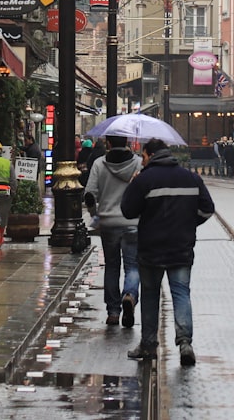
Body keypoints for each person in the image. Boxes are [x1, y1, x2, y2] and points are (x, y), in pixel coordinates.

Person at [121, 138, 215, 367]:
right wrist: (189, 224)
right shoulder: (191, 178)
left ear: (150, 155)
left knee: (151, 296)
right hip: (181, 247)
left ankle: (149, 345)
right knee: (181, 294)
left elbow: (127, 210)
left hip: (151, 248)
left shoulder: (144, 180)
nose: (141, 162)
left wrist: (134, 183)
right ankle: (185, 343)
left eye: (142, 157)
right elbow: (207, 209)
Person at [84, 135, 143, 327]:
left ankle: (113, 311)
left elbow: (90, 194)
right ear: (126, 143)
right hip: (133, 221)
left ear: (108, 144)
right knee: (132, 266)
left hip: (108, 223)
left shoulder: (99, 164)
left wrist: (96, 215)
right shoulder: (139, 164)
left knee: (112, 266)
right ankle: (130, 295)